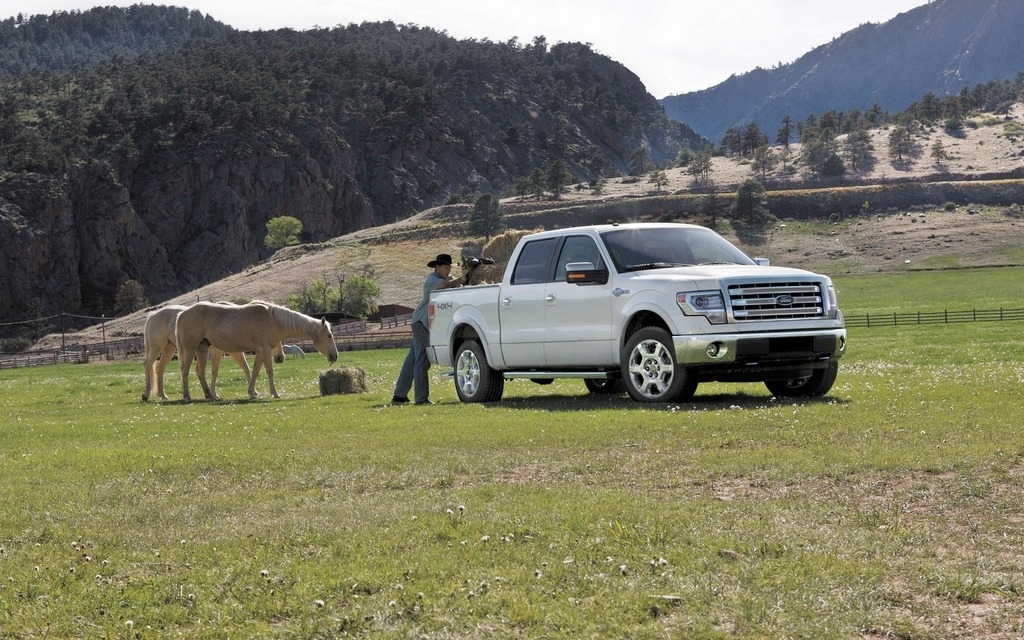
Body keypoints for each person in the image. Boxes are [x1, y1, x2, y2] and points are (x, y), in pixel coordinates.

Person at [392, 253, 476, 405]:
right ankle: (421, 399)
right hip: (422, 323)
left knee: (412, 361)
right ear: (436, 267)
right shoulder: (432, 280)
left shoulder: (447, 278)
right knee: (422, 361)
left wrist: (468, 274)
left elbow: (460, 284)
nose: (448, 270)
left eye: (449, 267)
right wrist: (463, 277)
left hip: (422, 323)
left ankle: (399, 395)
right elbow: (447, 286)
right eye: (445, 267)